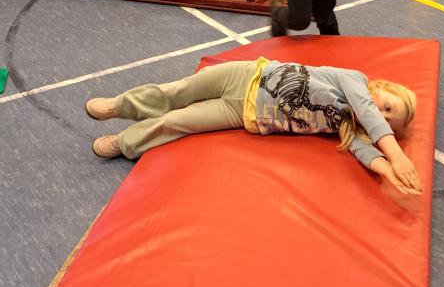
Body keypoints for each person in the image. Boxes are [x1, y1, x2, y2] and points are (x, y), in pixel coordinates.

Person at [86, 58, 421, 194]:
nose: (382, 115)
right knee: (177, 92)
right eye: (388, 107)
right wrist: (396, 155)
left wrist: (387, 171)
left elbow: (362, 148)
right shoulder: (355, 81)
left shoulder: (347, 125)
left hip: (243, 114)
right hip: (245, 75)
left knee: (177, 122)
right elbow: (367, 110)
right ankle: (119, 106)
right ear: (382, 88)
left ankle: (125, 142)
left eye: (389, 120)